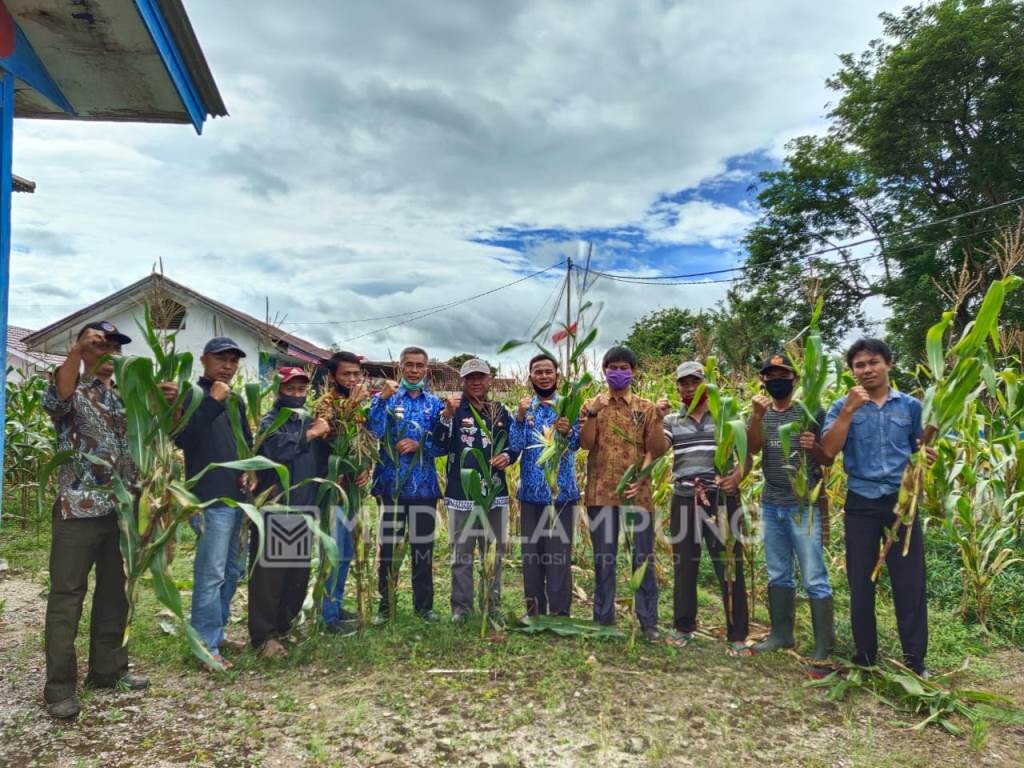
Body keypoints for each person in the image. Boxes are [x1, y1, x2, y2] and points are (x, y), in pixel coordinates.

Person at [42, 321, 176, 719]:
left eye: (113, 348)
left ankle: (109, 670)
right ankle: (60, 688)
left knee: (115, 594)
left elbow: (153, 438)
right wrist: (76, 352)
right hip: (79, 510)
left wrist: (166, 402)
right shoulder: (70, 389)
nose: (108, 354)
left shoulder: (126, 399)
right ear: (83, 349)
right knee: (67, 597)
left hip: (122, 513)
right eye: (99, 346)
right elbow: (57, 400)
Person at [822, 338, 930, 675]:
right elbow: (827, 451)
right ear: (851, 371)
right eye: (859, 365)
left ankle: (915, 660)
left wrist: (927, 455)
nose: (867, 370)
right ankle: (865, 655)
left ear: (888, 364)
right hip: (861, 502)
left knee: (909, 582)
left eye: (873, 362)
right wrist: (849, 411)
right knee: (860, 581)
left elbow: (922, 447)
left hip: (902, 503)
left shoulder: (911, 407)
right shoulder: (842, 406)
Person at [746, 354, 835, 659]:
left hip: (803, 506)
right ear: (764, 382)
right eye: (770, 376)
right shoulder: (761, 413)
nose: (776, 381)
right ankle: (782, 635)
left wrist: (816, 447)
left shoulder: (811, 412)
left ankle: (825, 645)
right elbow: (754, 448)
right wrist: (756, 417)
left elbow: (828, 459)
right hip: (771, 504)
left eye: (782, 375)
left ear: (795, 379)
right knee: (777, 572)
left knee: (813, 576)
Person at [659, 361, 750, 654]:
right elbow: (659, 448)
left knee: (729, 564)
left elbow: (746, 454)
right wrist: (653, 419)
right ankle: (683, 626)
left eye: (694, 381)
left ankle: (737, 633)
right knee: (685, 565)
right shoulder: (672, 420)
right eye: (683, 383)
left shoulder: (727, 418)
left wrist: (737, 477)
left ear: (706, 383)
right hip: (685, 498)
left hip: (722, 499)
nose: (689, 388)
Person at [580, 346, 669, 641]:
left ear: (633, 372)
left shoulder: (645, 408)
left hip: (637, 495)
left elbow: (656, 449)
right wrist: (591, 413)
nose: (618, 372)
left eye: (624, 367)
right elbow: (586, 445)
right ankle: (603, 620)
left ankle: (648, 622)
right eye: (613, 367)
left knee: (643, 559)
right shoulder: (592, 405)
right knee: (604, 559)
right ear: (604, 371)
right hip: (601, 494)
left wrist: (642, 475)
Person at [175, 336, 252, 669]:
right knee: (211, 574)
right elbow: (182, 439)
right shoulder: (191, 395)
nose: (228, 366)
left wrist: (253, 472)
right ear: (203, 359)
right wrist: (212, 401)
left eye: (234, 360)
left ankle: (216, 632)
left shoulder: (237, 402)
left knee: (233, 570)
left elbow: (245, 446)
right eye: (222, 358)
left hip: (239, 500)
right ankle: (205, 645)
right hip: (209, 499)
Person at [248, 367, 331, 658]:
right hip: (277, 505)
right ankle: (264, 636)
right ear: (279, 391)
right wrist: (311, 434)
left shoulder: (306, 418)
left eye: (300, 390)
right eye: (290, 389)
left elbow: (319, 460)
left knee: (296, 573)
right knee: (270, 575)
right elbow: (276, 452)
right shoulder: (273, 421)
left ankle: (284, 626)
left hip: (304, 504)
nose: (296, 395)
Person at [433, 358, 518, 624]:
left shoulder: (500, 411)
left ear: (490, 379)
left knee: (493, 553)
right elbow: (438, 446)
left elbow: (514, 444)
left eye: (481, 377)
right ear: (463, 381)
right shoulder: (453, 409)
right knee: (462, 555)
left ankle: (491, 606)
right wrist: (446, 416)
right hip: (462, 495)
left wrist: (508, 455)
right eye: (471, 378)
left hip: (494, 493)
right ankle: (461, 608)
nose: (477, 382)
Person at [366, 346, 446, 622]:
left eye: (419, 365)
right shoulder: (385, 399)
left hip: (424, 488)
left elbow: (444, 443)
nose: (414, 370)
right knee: (388, 548)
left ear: (427, 369)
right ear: (399, 367)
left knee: (422, 549)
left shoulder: (436, 405)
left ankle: (424, 606)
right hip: (392, 486)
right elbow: (373, 431)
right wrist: (380, 400)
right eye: (408, 365)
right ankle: (385, 607)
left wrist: (420, 445)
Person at [508, 353, 580, 617]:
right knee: (532, 558)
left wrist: (568, 431)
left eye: (548, 371)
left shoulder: (569, 407)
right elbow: (515, 447)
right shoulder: (526, 410)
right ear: (530, 377)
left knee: (559, 557)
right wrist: (518, 417)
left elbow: (577, 444)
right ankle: (534, 611)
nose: (544, 376)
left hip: (561, 496)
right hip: (530, 496)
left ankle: (560, 614)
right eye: (538, 372)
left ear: (557, 376)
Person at [316, 351, 372, 632]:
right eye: (346, 374)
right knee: (333, 550)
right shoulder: (325, 404)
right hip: (332, 488)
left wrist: (365, 467)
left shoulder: (361, 405)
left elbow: (361, 439)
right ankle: (327, 615)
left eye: (356, 374)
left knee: (347, 550)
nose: (352, 379)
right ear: (332, 376)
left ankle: (335, 604)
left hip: (351, 488)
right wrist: (352, 403)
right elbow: (330, 435)